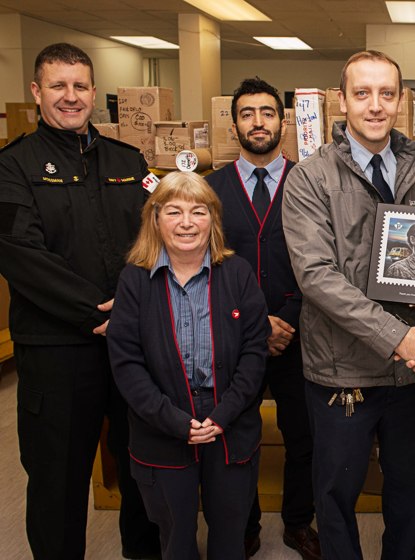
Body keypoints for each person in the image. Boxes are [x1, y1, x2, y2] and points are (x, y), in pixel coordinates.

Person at [282, 51, 415, 560]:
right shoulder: (310, 179)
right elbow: (317, 277)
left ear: (402, 101)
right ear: (343, 100)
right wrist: (397, 336)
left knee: (408, 498)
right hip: (343, 373)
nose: (375, 106)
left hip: (410, 370)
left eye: (387, 94)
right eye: (362, 93)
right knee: (336, 500)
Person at [0, 43, 159, 560]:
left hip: (131, 346)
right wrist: (101, 312)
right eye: (57, 86)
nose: (70, 97)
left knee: (143, 466)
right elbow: (20, 255)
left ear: (95, 93)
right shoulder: (12, 166)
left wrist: (131, 315)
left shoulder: (129, 162)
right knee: (58, 477)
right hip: (57, 350)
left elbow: (154, 239)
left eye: (80, 86)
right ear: (36, 91)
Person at [108, 172, 271, 560]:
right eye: (174, 212)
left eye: (198, 212)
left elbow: (255, 352)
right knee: (175, 536)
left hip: (228, 422)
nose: (186, 222)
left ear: (212, 220)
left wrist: (222, 415)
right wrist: (176, 422)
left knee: (231, 534)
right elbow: (127, 364)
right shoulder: (134, 281)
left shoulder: (238, 274)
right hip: (161, 425)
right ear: (155, 218)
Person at [206, 77, 319, 560]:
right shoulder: (210, 189)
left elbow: (323, 260)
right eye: (248, 113)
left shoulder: (311, 183)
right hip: (233, 340)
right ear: (234, 125)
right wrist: (255, 324)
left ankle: (297, 523)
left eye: (268, 112)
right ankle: (244, 526)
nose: (258, 122)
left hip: (299, 334)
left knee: (305, 437)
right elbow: (203, 265)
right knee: (237, 439)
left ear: (283, 122)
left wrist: (286, 317)